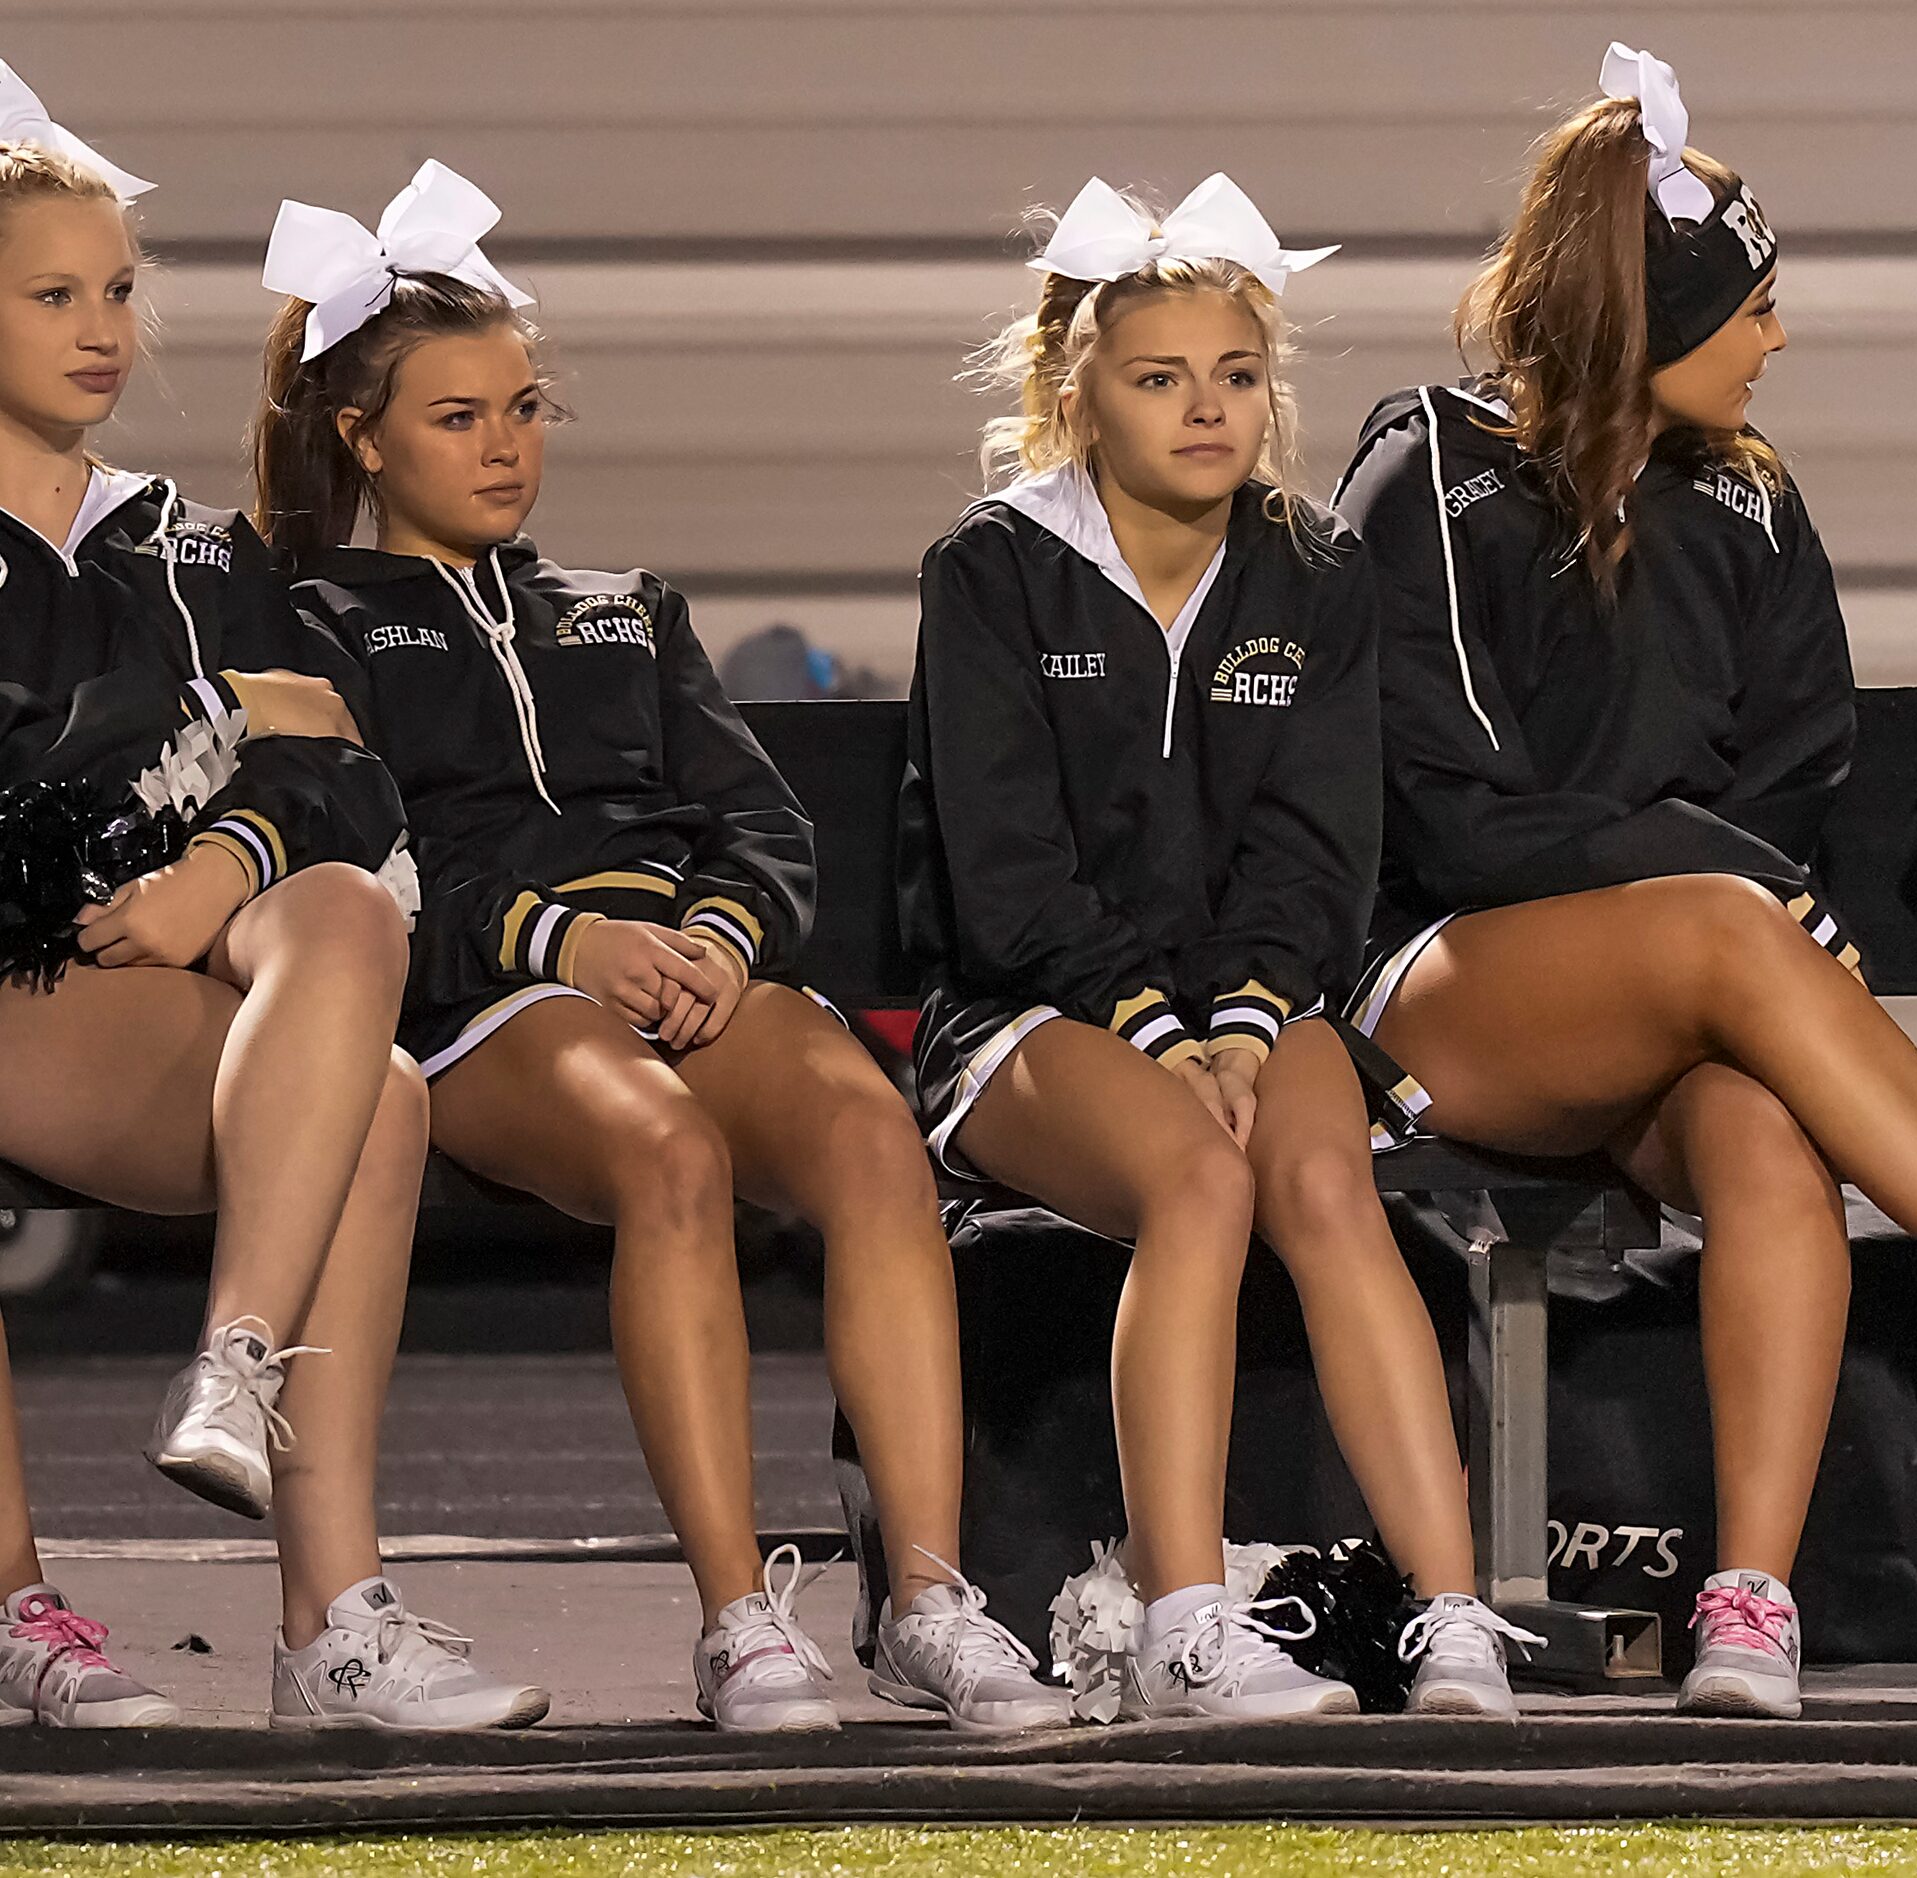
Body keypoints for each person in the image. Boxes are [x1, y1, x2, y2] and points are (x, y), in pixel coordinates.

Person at [1333, 45, 1917, 1721]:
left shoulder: (1751, 492)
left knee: (1764, 1143)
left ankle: (1746, 1603)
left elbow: (1789, 781)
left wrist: (1721, 895)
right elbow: (1445, 799)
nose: (1775, 337)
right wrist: (1709, 890)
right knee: (1738, 930)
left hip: (1687, 987)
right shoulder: (1427, 465)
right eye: (1749, 307)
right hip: (1444, 980)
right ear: (1648, 312)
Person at [261, 162, 1063, 1734]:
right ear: (360, 434)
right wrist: (562, 940)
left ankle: (925, 1597)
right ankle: (732, 1621)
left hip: (684, 970)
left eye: (526, 406)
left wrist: (708, 933)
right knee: (670, 1155)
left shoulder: (626, 606)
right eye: (458, 416)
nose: (507, 445)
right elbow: (359, 836)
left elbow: (758, 822)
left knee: (868, 1129)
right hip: (484, 1001)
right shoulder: (309, 615)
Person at [902, 173, 1539, 1721]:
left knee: (1322, 1179)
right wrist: (1153, 1025)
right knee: (1197, 1174)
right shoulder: (990, 567)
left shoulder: (1316, 570)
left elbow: (1319, 851)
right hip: (1031, 1014)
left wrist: (1246, 1021)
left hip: (1255, 1004)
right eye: (1160, 378)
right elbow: (1003, 873)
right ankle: (1188, 1621)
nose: (1208, 410)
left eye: (1237, 377)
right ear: (1079, 392)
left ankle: (1452, 1614)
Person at [0, 74, 538, 1730]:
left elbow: (350, 787)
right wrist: (207, 750)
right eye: (52, 295)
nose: (104, 331)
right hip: (16, 969)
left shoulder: (184, 543)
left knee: (366, 1017)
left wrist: (208, 873)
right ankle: (14, 1610)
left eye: (118, 290)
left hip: (148, 961)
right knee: (353, 1042)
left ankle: (322, 1587)